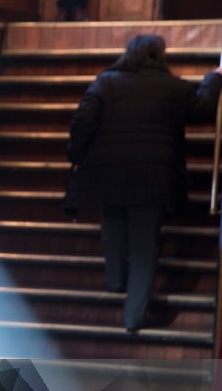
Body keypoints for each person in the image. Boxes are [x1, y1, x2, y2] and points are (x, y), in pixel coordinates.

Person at [67, 35, 222, 331]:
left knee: (112, 228)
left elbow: (82, 120)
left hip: (107, 173)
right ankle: (133, 316)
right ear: (160, 55)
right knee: (144, 245)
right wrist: (214, 78)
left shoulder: (105, 83)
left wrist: (75, 156)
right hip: (153, 178)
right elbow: (201, 109)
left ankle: (115, 282)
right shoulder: (172, 87)